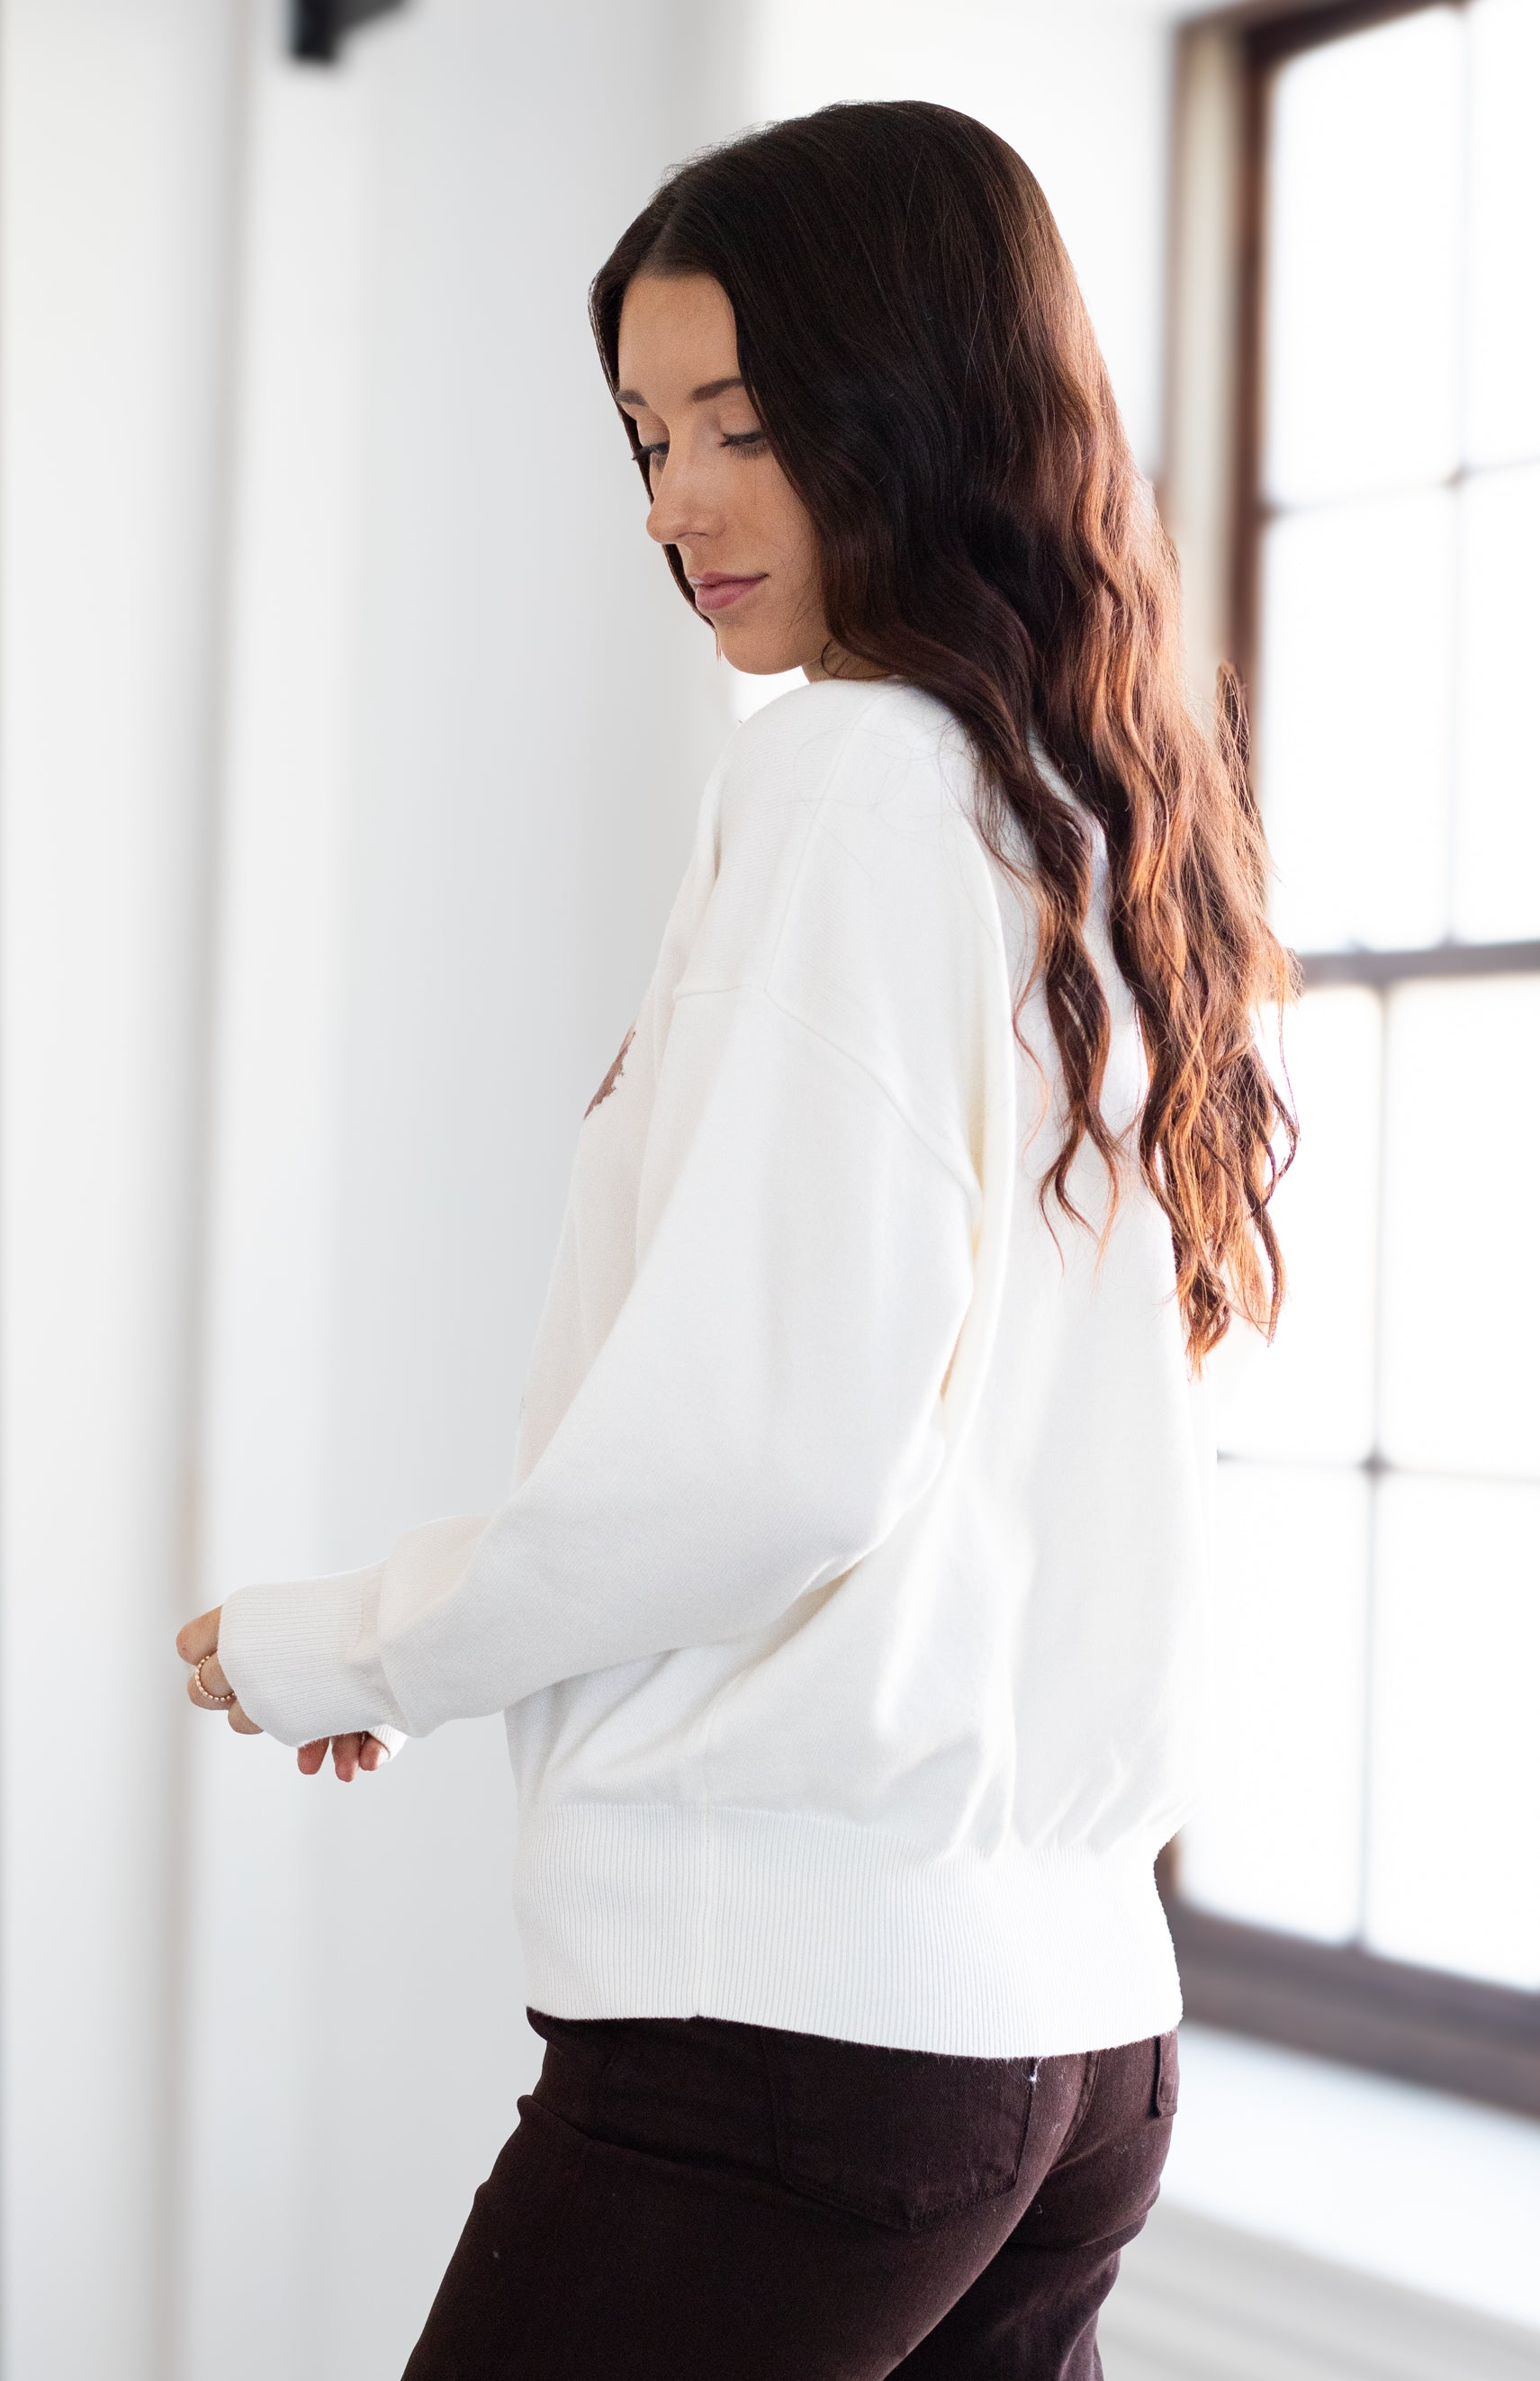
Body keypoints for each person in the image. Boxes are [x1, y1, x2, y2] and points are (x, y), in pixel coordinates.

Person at [176, 98, 1293, 2381]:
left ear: (919, 406)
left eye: (746, 425)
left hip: (799, 2051)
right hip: (1074, 2043)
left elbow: (774, 1448)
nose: (676, 501)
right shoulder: (1086, 814)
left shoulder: (858, 782)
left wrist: (373, 1639)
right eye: (645, 431)